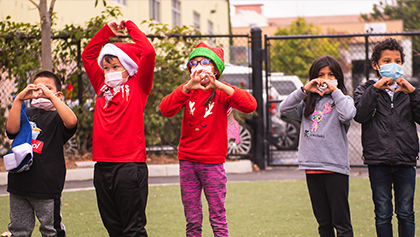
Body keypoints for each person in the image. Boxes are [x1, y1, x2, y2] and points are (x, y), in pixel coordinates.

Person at [160, 42, 257, 237]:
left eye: (205, 62)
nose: (199, 66)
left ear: (215, 68)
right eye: (194, 63)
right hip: (187, 161)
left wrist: (217, 84)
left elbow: (250, 105)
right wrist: (187, 87)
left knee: (217, 216)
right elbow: (166, 109)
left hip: (212, 164)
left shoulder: (221, 92)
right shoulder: (187, 91)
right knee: (192, 219)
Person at [81, 19, 155, 236]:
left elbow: (148, 53)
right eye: (106, 67)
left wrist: (129, 26)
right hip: (102, 165)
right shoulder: (101, 85)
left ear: (129, 67)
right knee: (113, 227)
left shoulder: (139, 84)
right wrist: (106, 32)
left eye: (115, 66)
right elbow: (87, 55)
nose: (109, 71)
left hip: (129, 166)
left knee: (133, 228)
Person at [279, 55, 355, 237]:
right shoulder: (306, 103)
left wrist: (336, 91)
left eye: (331, 75)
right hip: (312, 169)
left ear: (338, 78)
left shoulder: (343, 101)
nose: (326, 79)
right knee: (324, 224)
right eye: (321, 75)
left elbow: (348, 115)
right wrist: (304, 90)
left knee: (342, 224)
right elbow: (284, 108)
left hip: (335, 169)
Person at [354, 38, 420, 237]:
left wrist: (414, 93)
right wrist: (375, 90)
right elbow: (360, 115)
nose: (393, 65)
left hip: (406, 159)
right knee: (382, 212)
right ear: (376, 65)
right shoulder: (365, 90)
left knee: (406, 212)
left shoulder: (410, 90)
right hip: (378, 160)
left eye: (397, 61)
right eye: (386, 61)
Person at [5, 70, 78, 236]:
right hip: (19, 183)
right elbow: (11, 130)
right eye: (37, 89)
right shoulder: (27, 113)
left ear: (58, 95)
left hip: (47, 186)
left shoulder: (58, 117)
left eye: (47, 88)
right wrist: (19, 99)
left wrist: (51, 97)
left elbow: (72, 121)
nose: (41, 92)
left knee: (50, 229)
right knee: (18, 229)